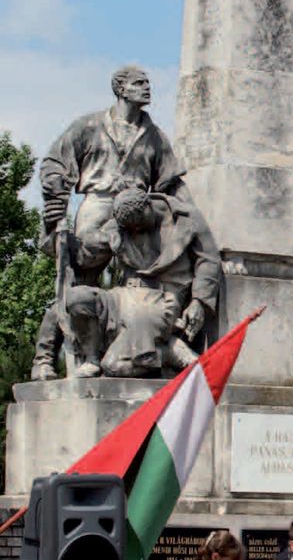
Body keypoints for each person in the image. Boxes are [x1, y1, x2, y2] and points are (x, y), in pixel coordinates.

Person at [31, 65, 189, 379]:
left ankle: (135, 352)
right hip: (98, 208)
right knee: (78, 290)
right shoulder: (88, 126)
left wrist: (185, 219)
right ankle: (44, 358)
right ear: (120, 89)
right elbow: (53, 164)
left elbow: (170, 182)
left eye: (147, 83)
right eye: (139, 84)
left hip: (136, 216)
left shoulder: (154, 135)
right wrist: (56, 194)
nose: (147, 88)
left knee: (142, 290)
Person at [65, 186, 220, 377]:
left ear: (148, 205)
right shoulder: (120, 225)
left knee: (114, 365)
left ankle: (167, 353)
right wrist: (66, 242)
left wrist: (199, 301)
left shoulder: (186, 218)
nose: (136, 230)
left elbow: (209, 260)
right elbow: (87, 257)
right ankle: (92, 359)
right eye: (130, 229)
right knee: (77, 297)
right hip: (123, 296)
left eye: (139, 224)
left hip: (160, 300)